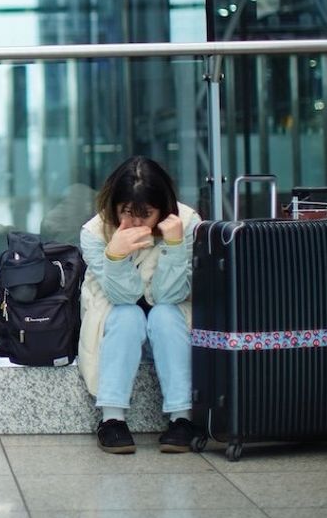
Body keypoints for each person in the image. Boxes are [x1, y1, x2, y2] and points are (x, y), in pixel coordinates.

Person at [77, 156, 201, 454]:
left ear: (163, 208)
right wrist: (116, 256)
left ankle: (182, 418)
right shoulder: (94, 232)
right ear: (114, 207)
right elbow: (123, 297)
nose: (135, 222)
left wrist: (173, 245)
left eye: (145, 214)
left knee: (164, 314)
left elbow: (170, 294)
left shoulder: (186, 223)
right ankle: (112, 419)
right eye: (127, 213)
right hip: (115, 320)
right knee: (128, 315)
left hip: (172, 320)